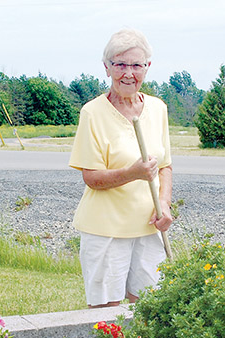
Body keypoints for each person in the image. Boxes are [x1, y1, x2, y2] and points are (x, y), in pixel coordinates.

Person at [69, 28, 173, 308]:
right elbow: (91, 177)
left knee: (151, 309)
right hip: (106, 231)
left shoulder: (158, 109)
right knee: (107, 316)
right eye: (120, 64)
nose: (129, 73)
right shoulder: (92, 113)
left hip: (150, 229)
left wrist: (163, 204)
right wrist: (132, 173)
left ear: (147, 68)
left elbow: (164, 167)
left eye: (137, 65)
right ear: (107, 68)